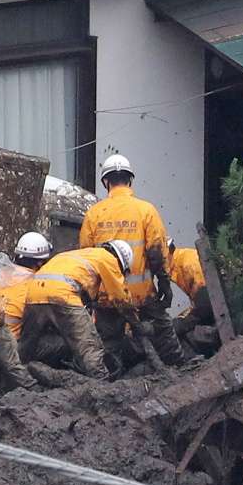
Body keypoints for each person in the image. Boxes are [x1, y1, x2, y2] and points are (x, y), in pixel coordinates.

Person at [79, 154, 185, 370]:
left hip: (108, 295)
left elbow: (86, 258)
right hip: (142, 292)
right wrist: (164, 284)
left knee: (109, 344)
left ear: (106, 182)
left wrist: (90, 297)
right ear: (130, 180)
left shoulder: (93, 214)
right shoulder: (146, 210)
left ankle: (113, 382)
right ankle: (180, 371)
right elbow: (156, 251)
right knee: (163, 332)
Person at [20, 241, 139, 380]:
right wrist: (135, 322)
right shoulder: (107, 258)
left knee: (27, 344)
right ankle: (101, 383)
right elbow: (121, 298)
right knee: (90, 347)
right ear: (119, 260)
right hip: (62, 294)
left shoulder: (76, 254)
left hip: (33, 293)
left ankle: (17, 374)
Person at [0, 231, 53, 340]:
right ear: (40, 263)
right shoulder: (35, 286)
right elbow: (41, 324)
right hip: (9, 349)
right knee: (62, 343)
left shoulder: (1, 276)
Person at [167, 238, 216, 348]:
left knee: (189, 335)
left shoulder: (188, 263)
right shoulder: (178, 264)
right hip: (210, 303)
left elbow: (206, 301)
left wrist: (184, 323)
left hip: (220, 305)